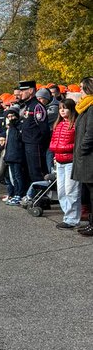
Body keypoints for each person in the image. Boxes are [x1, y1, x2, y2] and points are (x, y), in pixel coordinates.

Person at [49, 99, 80, 229]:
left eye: (65, 108)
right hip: (59, 161)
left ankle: (72, 219)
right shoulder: (58, 124)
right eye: (60, 108)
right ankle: (68, 215)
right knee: (61, 191)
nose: (62, 110)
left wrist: (65, 147)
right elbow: (53, 142)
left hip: (71, 162)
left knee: (71, 191)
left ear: (71, 109)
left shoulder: (75, 124)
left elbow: (78, 144)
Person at [72, 77, 93, 238]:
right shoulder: (85, 107)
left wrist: (81, 150)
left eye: (81, 87)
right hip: (84, 157)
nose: (79, 90)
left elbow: (90, 133)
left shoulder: (91, 108)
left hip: (89, 157)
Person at [17, 80, 49, 187]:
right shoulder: (27, 106)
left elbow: (43, 129)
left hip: (35, 145)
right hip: (27, 143)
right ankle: (35, 197)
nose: (20, 93)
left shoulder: (37, 107)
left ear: (31, 91)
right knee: (30, 172)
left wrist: (39, 143)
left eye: (23, 91)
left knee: (37, 173)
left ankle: (43, 199)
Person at [0, 108, 25, 205]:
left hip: (17, 155)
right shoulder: (9, 128)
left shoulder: (19, 126)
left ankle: (20, 194)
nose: (10, 118)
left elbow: (20, 140)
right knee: (13, 177)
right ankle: (15, 194)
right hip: (10, 155)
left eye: (12, 116)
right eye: (8, 117)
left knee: (18, 176)